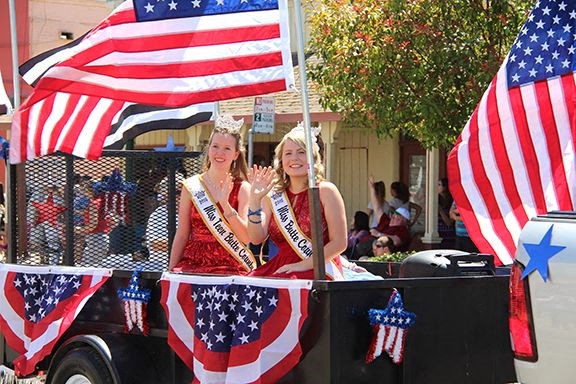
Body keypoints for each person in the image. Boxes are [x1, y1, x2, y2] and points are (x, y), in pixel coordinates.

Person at [246, 123, 347, 280]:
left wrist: (302, 265)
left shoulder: (326, 191)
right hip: (282, 267)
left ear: (313, 158)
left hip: (320, 268)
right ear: (280, 160)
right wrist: (254, 202)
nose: (294, 158)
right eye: (288, 153)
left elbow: (340, 243)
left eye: (301, 152)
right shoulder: (273, 195)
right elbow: (256, 238)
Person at [168, 114, 257, 274]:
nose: (219, 153)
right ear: (208, 148)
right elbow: (182, 234)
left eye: (227, 148)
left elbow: (246, 238)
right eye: (215, 146)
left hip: (230, 264)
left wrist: (225, 204)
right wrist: (170, 270)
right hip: (193, 263)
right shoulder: (191, 187)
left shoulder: (243, 188)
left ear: (236, 154)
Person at [437, 178, 455, 248]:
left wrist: (440, 210)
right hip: (438, 234)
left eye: (439, 185)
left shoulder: (452, 202)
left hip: (449, 235)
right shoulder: (436, 200)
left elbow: (449, 223)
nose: (437, 187)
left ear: (445, 187)